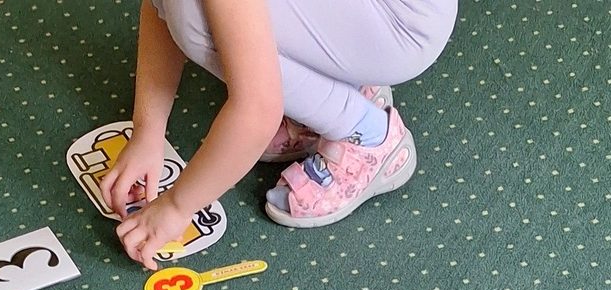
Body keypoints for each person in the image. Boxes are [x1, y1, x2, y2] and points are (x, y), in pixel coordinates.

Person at [99, 0, 458, 259]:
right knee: (192, 10)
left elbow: (258, 110)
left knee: (196, 20)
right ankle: (340, 88)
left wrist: (177, 207)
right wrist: (148, 131)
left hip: (403, 26)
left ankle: (366, 133)